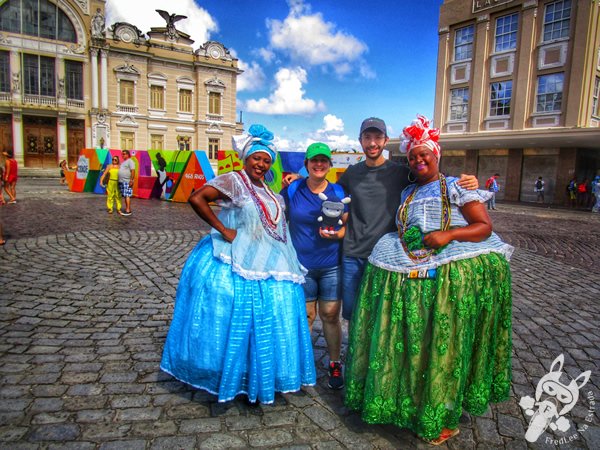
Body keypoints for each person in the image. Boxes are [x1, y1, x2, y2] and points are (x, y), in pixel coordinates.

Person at [345, 115, 514, 445]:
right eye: (413, 156)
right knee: (416, 346)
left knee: (442, 347)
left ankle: (442, 413)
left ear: (437, 156)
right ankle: (412, 405)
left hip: (446, 281)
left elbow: (483, 227)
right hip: (412, 280)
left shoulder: (455, 187)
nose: (420, 160)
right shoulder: (407, 191)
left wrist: (449, 234)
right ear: (407, 160)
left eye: (425, 155)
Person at [160, 124, 316, 404]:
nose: (261, 164)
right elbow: (198, 198)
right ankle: (226, 374)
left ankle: (259, 374)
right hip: (235, 261)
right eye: (257, 158)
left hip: (270, 262)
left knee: (263, 322)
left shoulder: (268, 189)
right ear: (246, 157)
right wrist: (223, 229)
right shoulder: (234, 180)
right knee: (232, 317)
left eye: (267, 160)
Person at [336, 117, 478, 321]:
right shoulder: (352, 173)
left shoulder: (402, 172)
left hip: (386, 258)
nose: (372, 143)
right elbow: (330, 192)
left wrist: (467, 181)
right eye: (367, 137)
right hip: (353, 253)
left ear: (386, 141)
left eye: (378, 137)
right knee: (351, 314)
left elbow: (432, 177)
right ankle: (352, 352)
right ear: (360, 141)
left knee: (379, 315)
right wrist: (301, 180)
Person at [281, 142, 348, 390]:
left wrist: (339, 235)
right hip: (301, 266)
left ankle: (334, 363)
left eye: (323, 161)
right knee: (306, 316)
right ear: (307, 164)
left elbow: (347, 224)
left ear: (329, 165)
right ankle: (302, 364)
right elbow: (276, 215)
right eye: (314, 160)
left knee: (330, 315)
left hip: (331, 265)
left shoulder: (339, 192)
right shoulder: (293, 188)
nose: (319, 165)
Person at [118, 150, 136, 216]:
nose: (123, 155)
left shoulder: (130, 161)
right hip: (122, 181)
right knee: (125, 195)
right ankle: (127, 208)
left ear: (128, 155)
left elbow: (133, 171)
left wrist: (131, 180)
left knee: (127, 195)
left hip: (127, 181)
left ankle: (128, 210)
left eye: (125, 154)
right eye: (122, 154)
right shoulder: (123, 162)